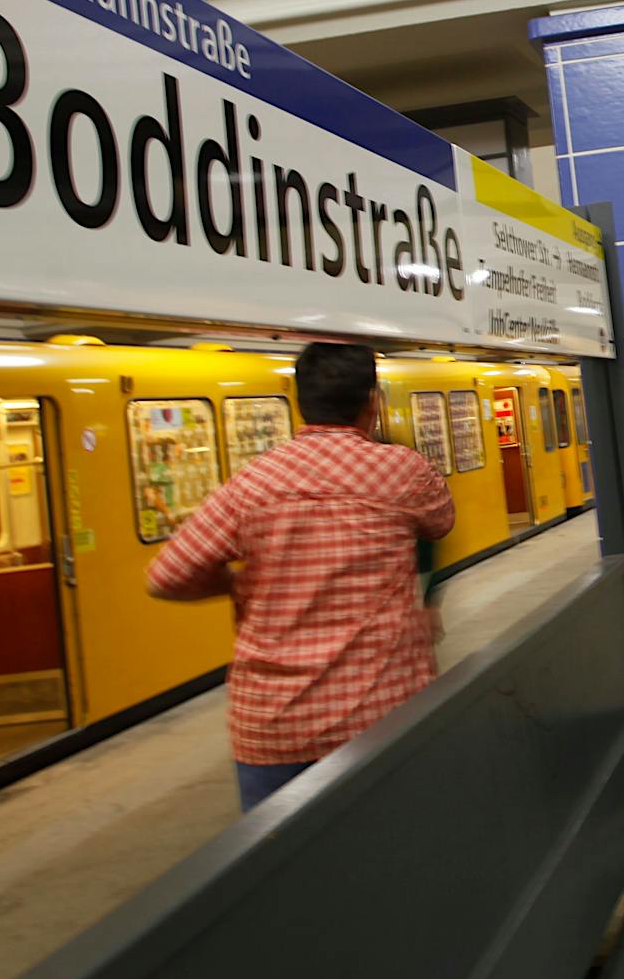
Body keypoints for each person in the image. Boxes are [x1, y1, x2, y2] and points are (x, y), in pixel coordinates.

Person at [148, 342, 455, 811]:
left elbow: (167, 576)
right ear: (371, 401)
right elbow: (441, 520)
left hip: (275, 726)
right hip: (383, 714)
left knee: (286, 876)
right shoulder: (401, 471)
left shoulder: (251, 482)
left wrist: (237, 583)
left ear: (298, 402)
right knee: (396, 859)